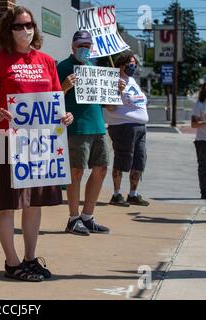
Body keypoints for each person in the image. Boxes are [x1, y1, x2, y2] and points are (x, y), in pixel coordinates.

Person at [0, 6, 73, 282]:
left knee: (34, 204)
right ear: (9, 31)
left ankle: (30, 258)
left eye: (29, 25)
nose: (25, 30)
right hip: (11, 141)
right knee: (7, 205)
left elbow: (56, 99)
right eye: (19, 26)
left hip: (42, 143)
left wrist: (65, 115)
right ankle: (12, 262)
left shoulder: (46, 61)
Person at [57, 31, 125, 236]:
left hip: (98, 126)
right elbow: (52, 98)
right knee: (76, 172)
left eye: (88, 45)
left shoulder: (94, 68)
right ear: (72, 46)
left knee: (102, 169)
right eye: (81, 45)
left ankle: (87, 216)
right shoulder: (63, 67)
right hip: (76, 127)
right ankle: (73, 218)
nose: (84, 48)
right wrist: (65, 86)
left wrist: (118, 91)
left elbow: (109, 105)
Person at [106, 51, 150, 207]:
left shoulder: (132, 81)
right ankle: (116, 195)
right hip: (123, 126)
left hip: (140, 127)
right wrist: (117, 90)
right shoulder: (114, 81)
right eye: (131, 64)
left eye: (135, 64)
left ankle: (133, 194)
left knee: (139, 161)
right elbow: (109, 107)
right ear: (120, 66)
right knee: (122, 159)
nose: (134, 67)